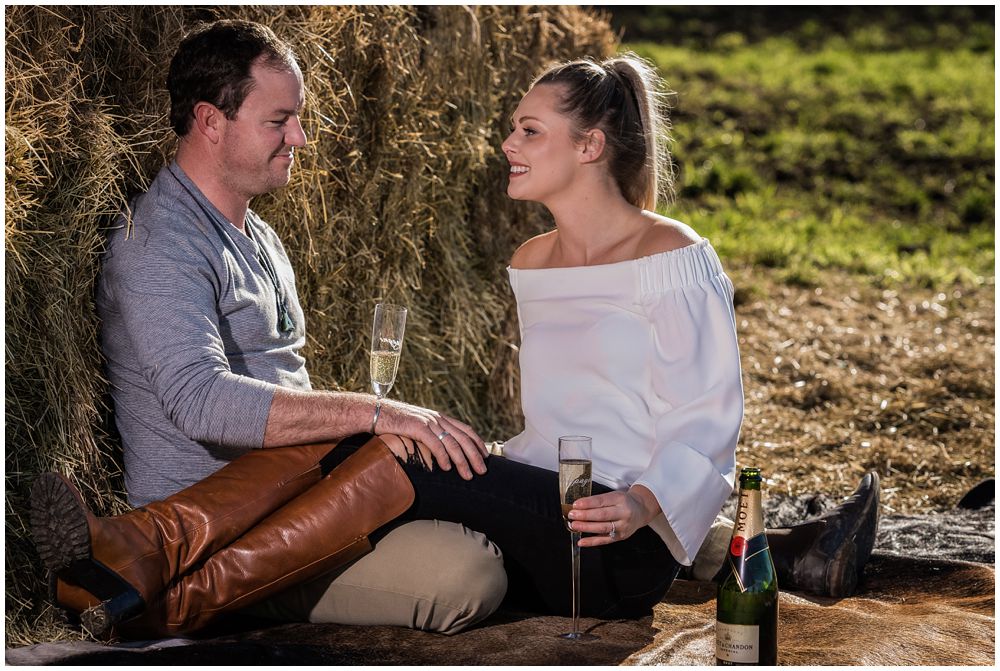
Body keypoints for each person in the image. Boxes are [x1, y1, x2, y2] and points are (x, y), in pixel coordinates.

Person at [30, 19, 506, 640]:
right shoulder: (160, 245)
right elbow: (201, 402)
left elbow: (289, 384)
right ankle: (162, 578)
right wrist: (374, 413)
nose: (300, 138)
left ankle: (142, 585)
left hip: (313, 492)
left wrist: (374, 425)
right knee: (470, 575)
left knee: (477, 507)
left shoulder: (260, 236)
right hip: (232, 524)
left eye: (297, 119)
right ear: (209, 121)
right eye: (278, 121)